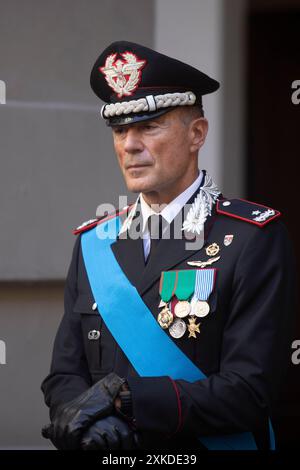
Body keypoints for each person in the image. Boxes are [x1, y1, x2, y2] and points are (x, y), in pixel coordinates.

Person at [41, 41, 295, 451]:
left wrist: (127, 402)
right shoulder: (94, 243)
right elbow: (63, 373)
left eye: (149, 126)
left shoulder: (252, 239)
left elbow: (250, 391)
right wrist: (83, 420)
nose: (129, 145)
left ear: (197, 134)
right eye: (121, 129)